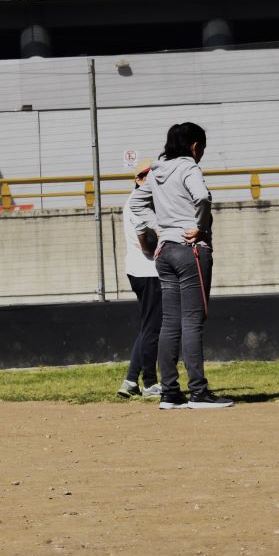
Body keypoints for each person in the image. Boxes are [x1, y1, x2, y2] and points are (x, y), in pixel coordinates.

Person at [128, 122, 231, 410]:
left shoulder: (157, 171)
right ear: (195, 146)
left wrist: (159, 228)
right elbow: (202, 196)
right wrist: (198, 227)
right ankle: (198, 391)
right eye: (203, 149)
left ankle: (170, 393)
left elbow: (136, 204)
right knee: (193, 320)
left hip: (164, 253)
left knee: (170, 323)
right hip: (190, 251)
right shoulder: (188, 168)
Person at [116, 163, 163, 400]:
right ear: (140, 179)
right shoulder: (139, 201)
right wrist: (160, 249)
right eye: (148, 177)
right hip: (148, 271)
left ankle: (131, 380)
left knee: (147, 327)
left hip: (140, 270)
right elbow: (146, 242)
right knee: (153, 329)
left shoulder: (133, 200)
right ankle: (150, 383)